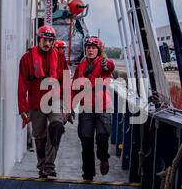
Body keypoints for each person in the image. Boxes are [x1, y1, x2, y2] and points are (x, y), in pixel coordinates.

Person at [18, 26, 66, 178]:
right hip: (35, 102)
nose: (48, 43)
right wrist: (22, 108)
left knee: (56, 127)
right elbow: (22, 84)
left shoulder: (59, 57)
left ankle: (49, 166)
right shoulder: (27, 58)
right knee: (39, 137)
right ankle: (42, 165)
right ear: (39, 39)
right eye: (45, 40)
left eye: (51, 40)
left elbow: (65, 80)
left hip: (54, 100)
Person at [73, 36, 115, 180]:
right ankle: (88, 173)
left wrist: (105, 61)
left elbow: (110, 66)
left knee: (103, 137)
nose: (90, 50)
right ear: (85, 50)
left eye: (93, 48)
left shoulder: (103, 63)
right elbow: (74, 87)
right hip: (86, 107)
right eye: (88, 48)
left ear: (99, 50)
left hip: (102, 107)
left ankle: (103, 158)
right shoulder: (80, 66)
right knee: (86, 141)